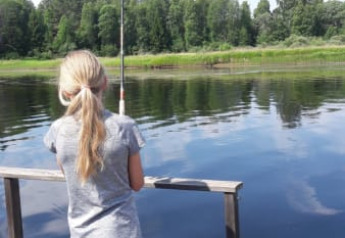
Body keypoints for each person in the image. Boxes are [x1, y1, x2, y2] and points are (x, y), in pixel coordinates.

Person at [44, 50, 145, 238]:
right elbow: (137, 184)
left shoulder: (58, 129)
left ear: (65, 91)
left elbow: (68, 171)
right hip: (122, 231)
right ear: (104, 83)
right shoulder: (125, 126)